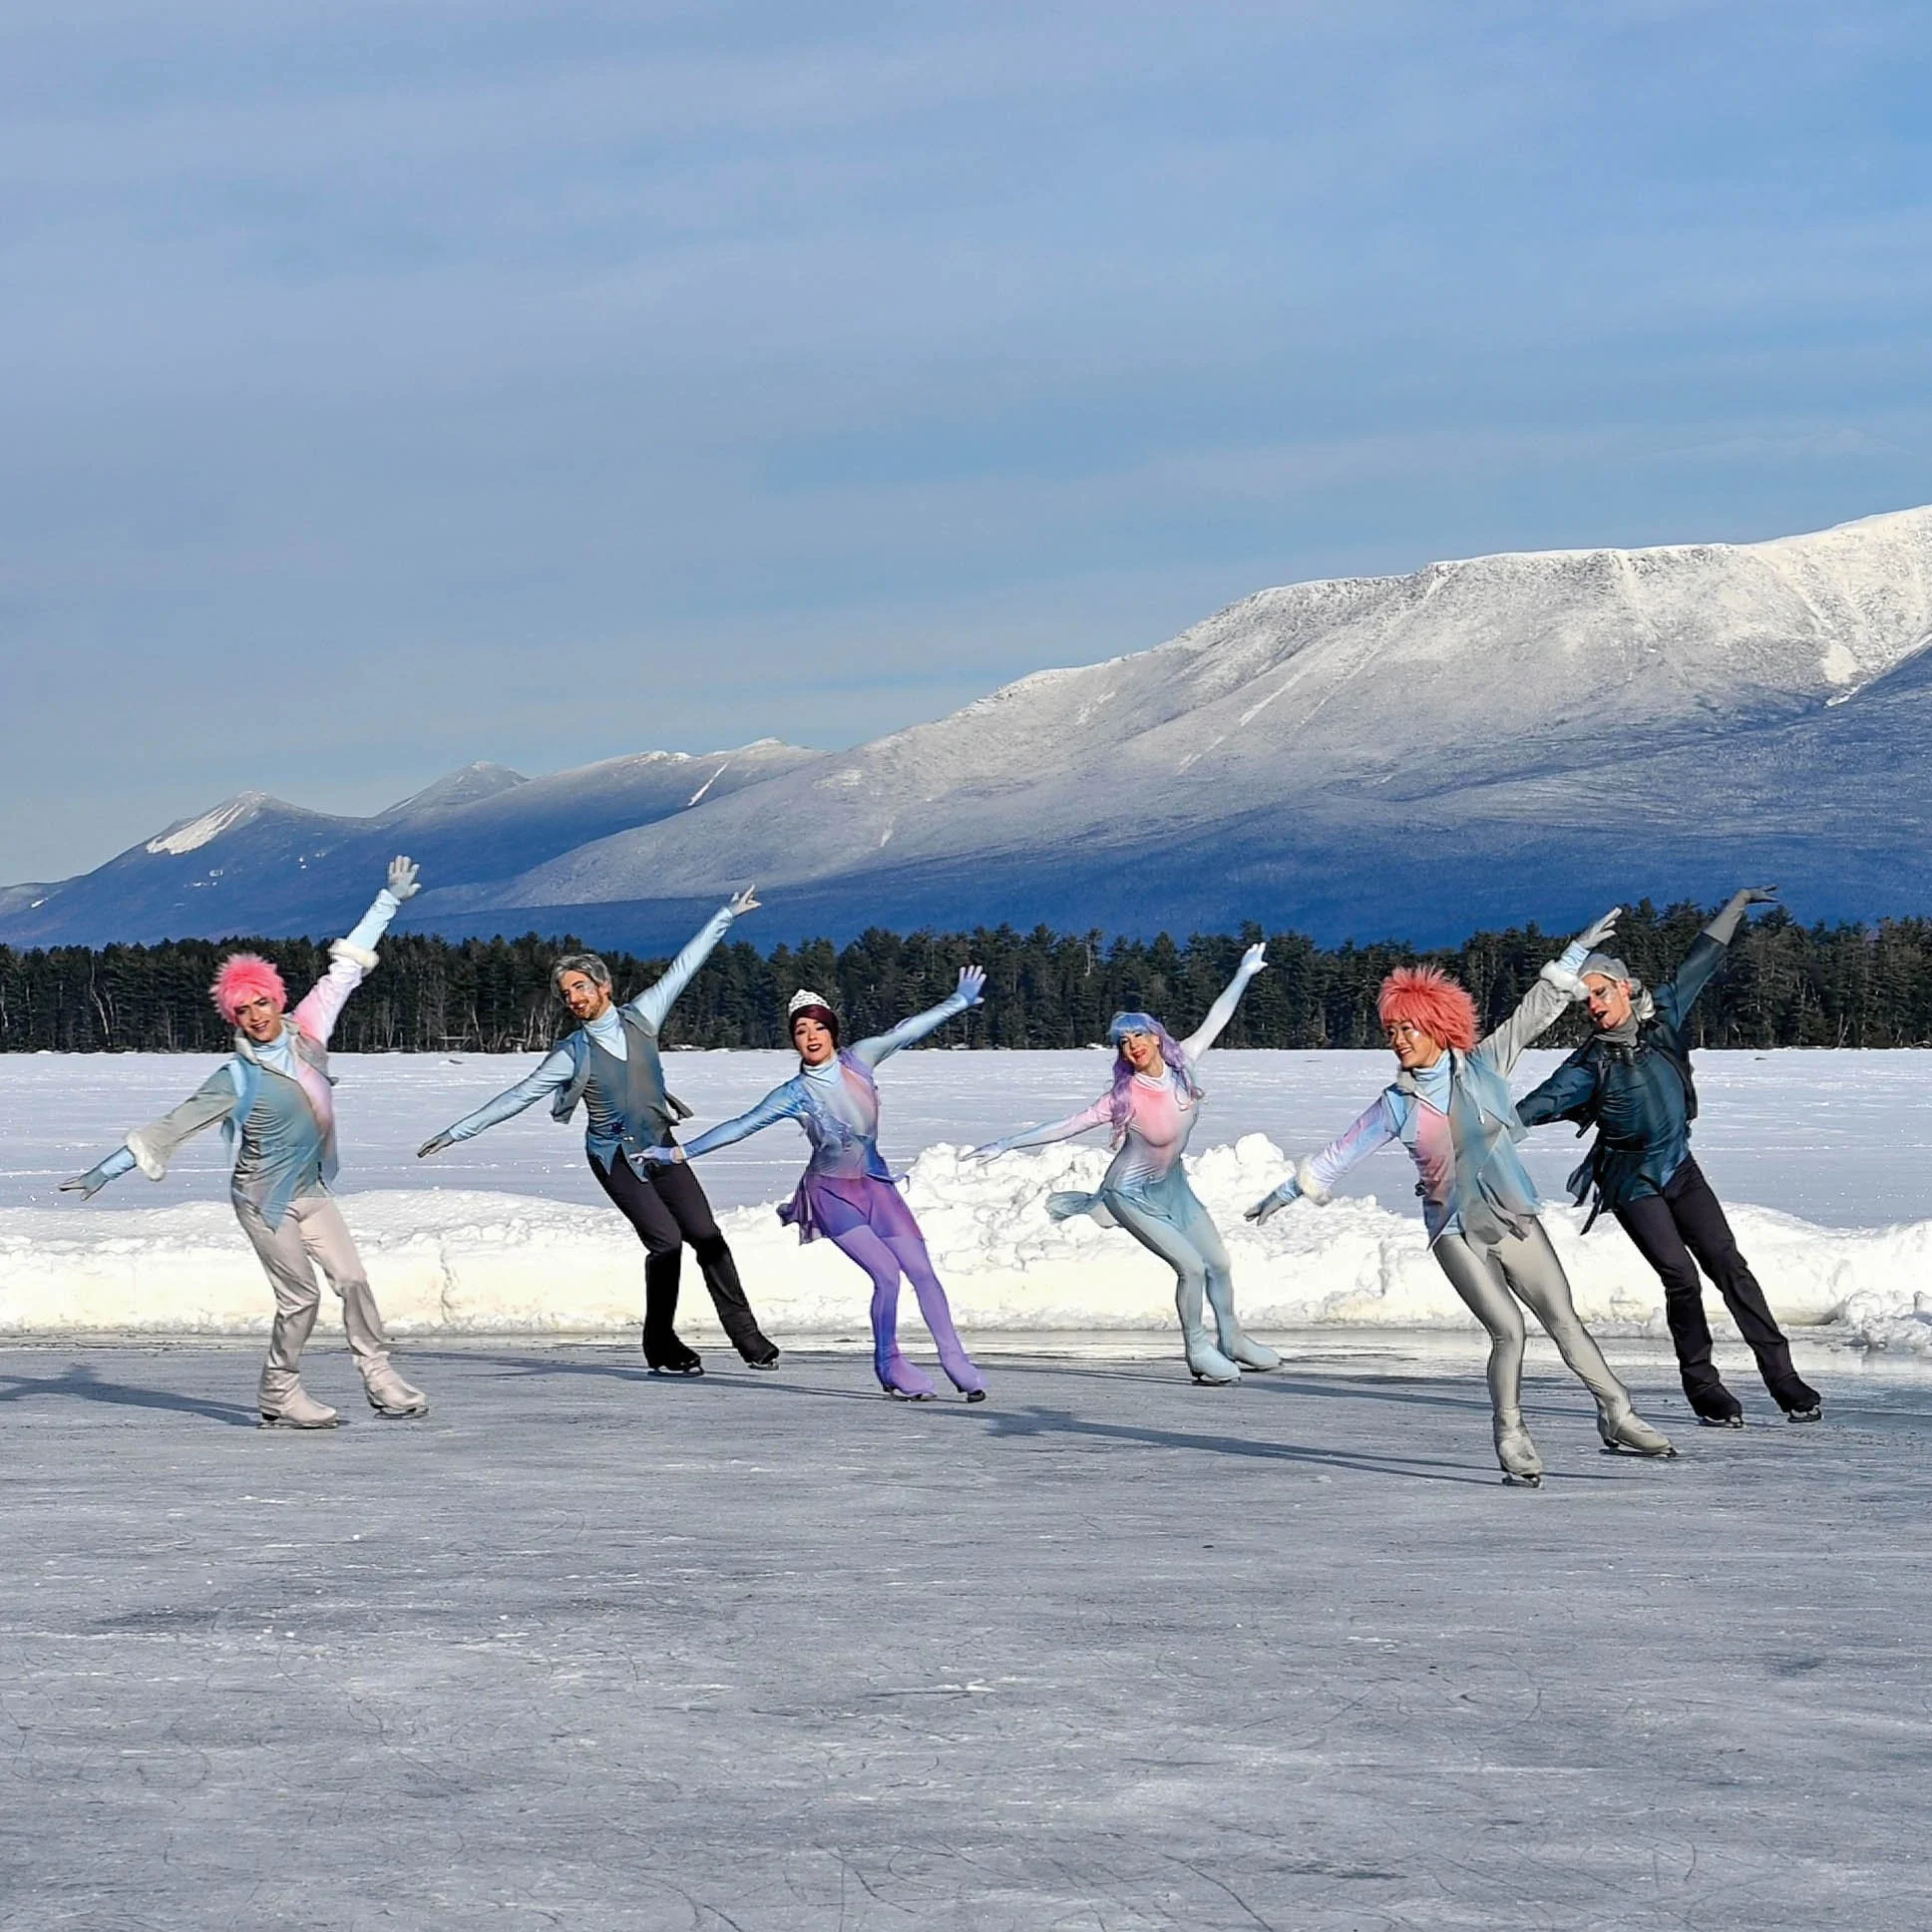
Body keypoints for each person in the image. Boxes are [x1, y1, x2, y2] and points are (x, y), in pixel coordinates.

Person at [1246, 913, 1675, 1484]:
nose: (1397, 1040)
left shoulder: (1483, 1065)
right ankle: (1511, 1434)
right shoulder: (1396, 1104)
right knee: (1510, 1330)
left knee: (1562, 1319)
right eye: (1392, 1031)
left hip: (1512, 1215)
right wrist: (1288, 1189)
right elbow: (1338, 1154)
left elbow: (1535, 1010)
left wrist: (1574, 954)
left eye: (1408, 1029)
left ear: (1437, 1028)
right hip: (1454, 1230)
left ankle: (1617, 1412)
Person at [61, 859, 430, 1429]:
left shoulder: (308, 1033)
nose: (255, 1015)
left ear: (277, 1000)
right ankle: (280, 1391)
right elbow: (172, 1126)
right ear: (232, 1016)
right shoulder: (235, 1078)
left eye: (260, 1002)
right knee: (301, 1298)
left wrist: (388, 902)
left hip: (310, 1189)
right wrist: (106, 1170)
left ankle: (379, 1375)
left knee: (353, 1280)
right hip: (262, 1199)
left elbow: (344, 971)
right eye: (242, 1009)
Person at [416, 891, 777, 1375]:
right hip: (613, 1157)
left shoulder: (643, 1017)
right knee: (666, 1242)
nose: (574, 999)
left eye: (580, 987)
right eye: (566, 994)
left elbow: (683, 969)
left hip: (660, 1147)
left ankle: (748, 1338)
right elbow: (519, 1095)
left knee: (706, 1235)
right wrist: (458, 1131)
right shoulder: (571, 1053)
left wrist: (725, 916)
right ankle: (662, 1345)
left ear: (604, 986)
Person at [1515, 888, 1822, 1426]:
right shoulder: (1588, 1066)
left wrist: (1736, 905)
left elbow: (1701, 959)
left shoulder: (1663, 1019)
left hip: (1678, 1165)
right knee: (1681, 1277)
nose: (1594, 1006)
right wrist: (1467, 1140)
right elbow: (1528, 1110)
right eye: (1585, 1000)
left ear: (1625, 988)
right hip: (1630, 1179)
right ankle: (1704, 1388)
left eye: (1600, 993)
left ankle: (1784, 1378)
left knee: (1728, 1264)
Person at [641, 970, 989, 1401]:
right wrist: (677, 1154)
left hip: (877, 1186)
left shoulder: (860, 1060)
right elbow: (739, 1126)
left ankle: (956, 1360)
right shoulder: (794, 1093)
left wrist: (957, 1001)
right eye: (801, 1030)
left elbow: (907, 1030)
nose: (811, 1036)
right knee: (887, 1275)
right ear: (793, 1040)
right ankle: (890, 1364)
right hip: (832, 1195)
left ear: (832, 1031)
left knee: (922, 1272)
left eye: (818, 1027)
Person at [969, 944, 1280, 1385]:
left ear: (1156, 1037)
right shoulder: (1124, 1097)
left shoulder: (1184, 1064)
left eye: (1137, 1036)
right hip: (1128, 1193)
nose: (1131, 1046)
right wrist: (1007, 1142)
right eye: (1123, 1041)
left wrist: (1244, 973)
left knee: (1219, 1264)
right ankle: (1198, 1350)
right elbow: (1067, 1125)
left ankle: (1232, 1339)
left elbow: (1217, 1017)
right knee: (1189, 1267)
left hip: (1174, 1187)